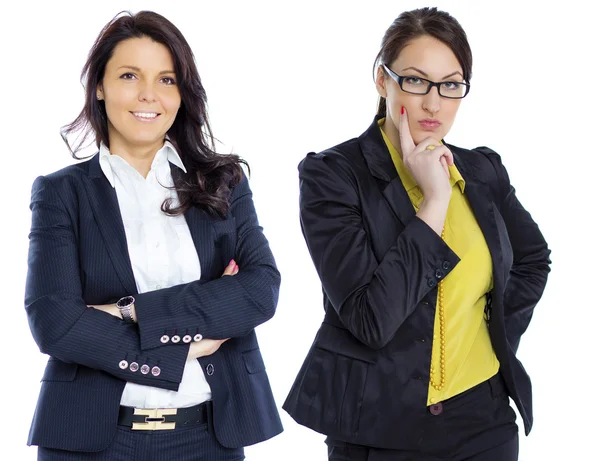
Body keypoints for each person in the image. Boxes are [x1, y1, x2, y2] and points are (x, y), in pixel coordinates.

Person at [283, 7, 551, 461]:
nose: (433, 103)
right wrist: (435, 200)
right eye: (415, 80)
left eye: (450, 85)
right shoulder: (334, 176)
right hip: (380, 429)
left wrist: (494, 335)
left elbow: (533, 259)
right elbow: (371, 319)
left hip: (485, 423)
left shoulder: (482, 169)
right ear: (381, 80)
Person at [25, 11, 282, 461]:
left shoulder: (223, 183)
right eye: (129, 75)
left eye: (166, 80)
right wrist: (182, 352)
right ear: (99, 87)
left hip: (207, 438)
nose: (149, 95)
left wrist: (128, 311)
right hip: (91, 441)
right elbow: (56, 323)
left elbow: (260, 291)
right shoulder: (61, 192)